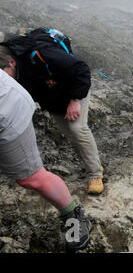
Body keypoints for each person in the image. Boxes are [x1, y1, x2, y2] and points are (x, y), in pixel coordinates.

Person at [0, 30, 104, 195]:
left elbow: (81, 69)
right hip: (53, 99)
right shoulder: (13, 72)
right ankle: (92, 162)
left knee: (78, 129)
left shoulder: (42, 54)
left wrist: (75, 100)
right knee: (70, 134)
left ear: (12, 62)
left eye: (5, 75)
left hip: (75, 89)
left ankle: (95, 174)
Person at [0, 68, 92, 252]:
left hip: (8, 111)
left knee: (31, 178)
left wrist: (75, 99)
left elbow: (80, 68)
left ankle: (74, 217)